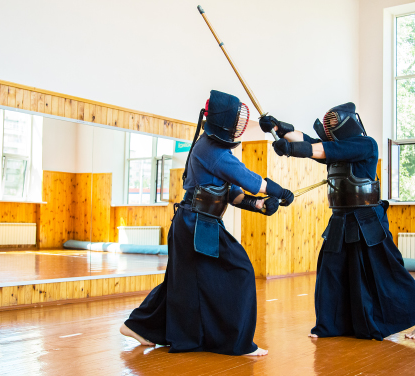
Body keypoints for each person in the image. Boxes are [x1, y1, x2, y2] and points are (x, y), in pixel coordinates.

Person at [120, 90, 294, 356]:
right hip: (195, 224)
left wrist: (258, 205)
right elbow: (250, 181)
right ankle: (237, 343)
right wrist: (279, 191)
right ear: (226, 122)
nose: (240, 125)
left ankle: (139, 327)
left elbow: (234, 194)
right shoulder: (212, 151)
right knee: (241, 271)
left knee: (182, 283)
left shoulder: (214, 150)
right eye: (237, 121)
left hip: (196, 223)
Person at [259, 103, 415, 340]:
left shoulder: (365, 144)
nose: (330, 128)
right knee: (331, 269)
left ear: (349, 122)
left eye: (333, 123)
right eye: (328, 124)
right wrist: (279, 128)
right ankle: (329, 326)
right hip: (341, 218)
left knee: (386, 270)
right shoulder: (337, 149)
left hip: (367, 219)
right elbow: (312, 143)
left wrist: (291, 149)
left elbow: (317, 150)